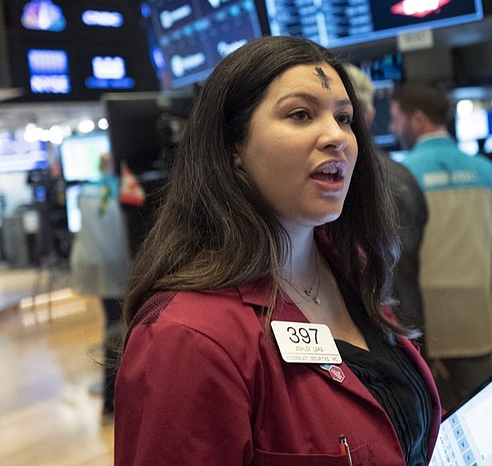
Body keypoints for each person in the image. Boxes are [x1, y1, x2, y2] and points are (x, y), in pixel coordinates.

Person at [114, 36, 441, 465]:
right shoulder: (187, 336)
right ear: (233, 148)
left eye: (345, 118)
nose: (336, 136)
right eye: (301, 114)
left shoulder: (353, 268)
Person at [389, 81, 492, 411]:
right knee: (487, 421)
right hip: (475, 318)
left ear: (418, 121)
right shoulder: (487, 170)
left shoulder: (400, 177)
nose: (392, 127)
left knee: (433, 428)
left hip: (421, 324)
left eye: (397, 118)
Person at [343, 63, 429, 342]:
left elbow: (393, 273)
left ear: (361, 117)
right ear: (370, 115)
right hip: (401, 326)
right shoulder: (400, 175)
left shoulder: (377, 182)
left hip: (384, 333)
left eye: (343, 117)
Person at [69, 152, 130, 424]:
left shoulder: (86, 192)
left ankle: (110, 398)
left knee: (113, 325)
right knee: (118, 330)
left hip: (95, 267)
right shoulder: (126, 191)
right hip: (121, 268)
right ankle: (113, 397)